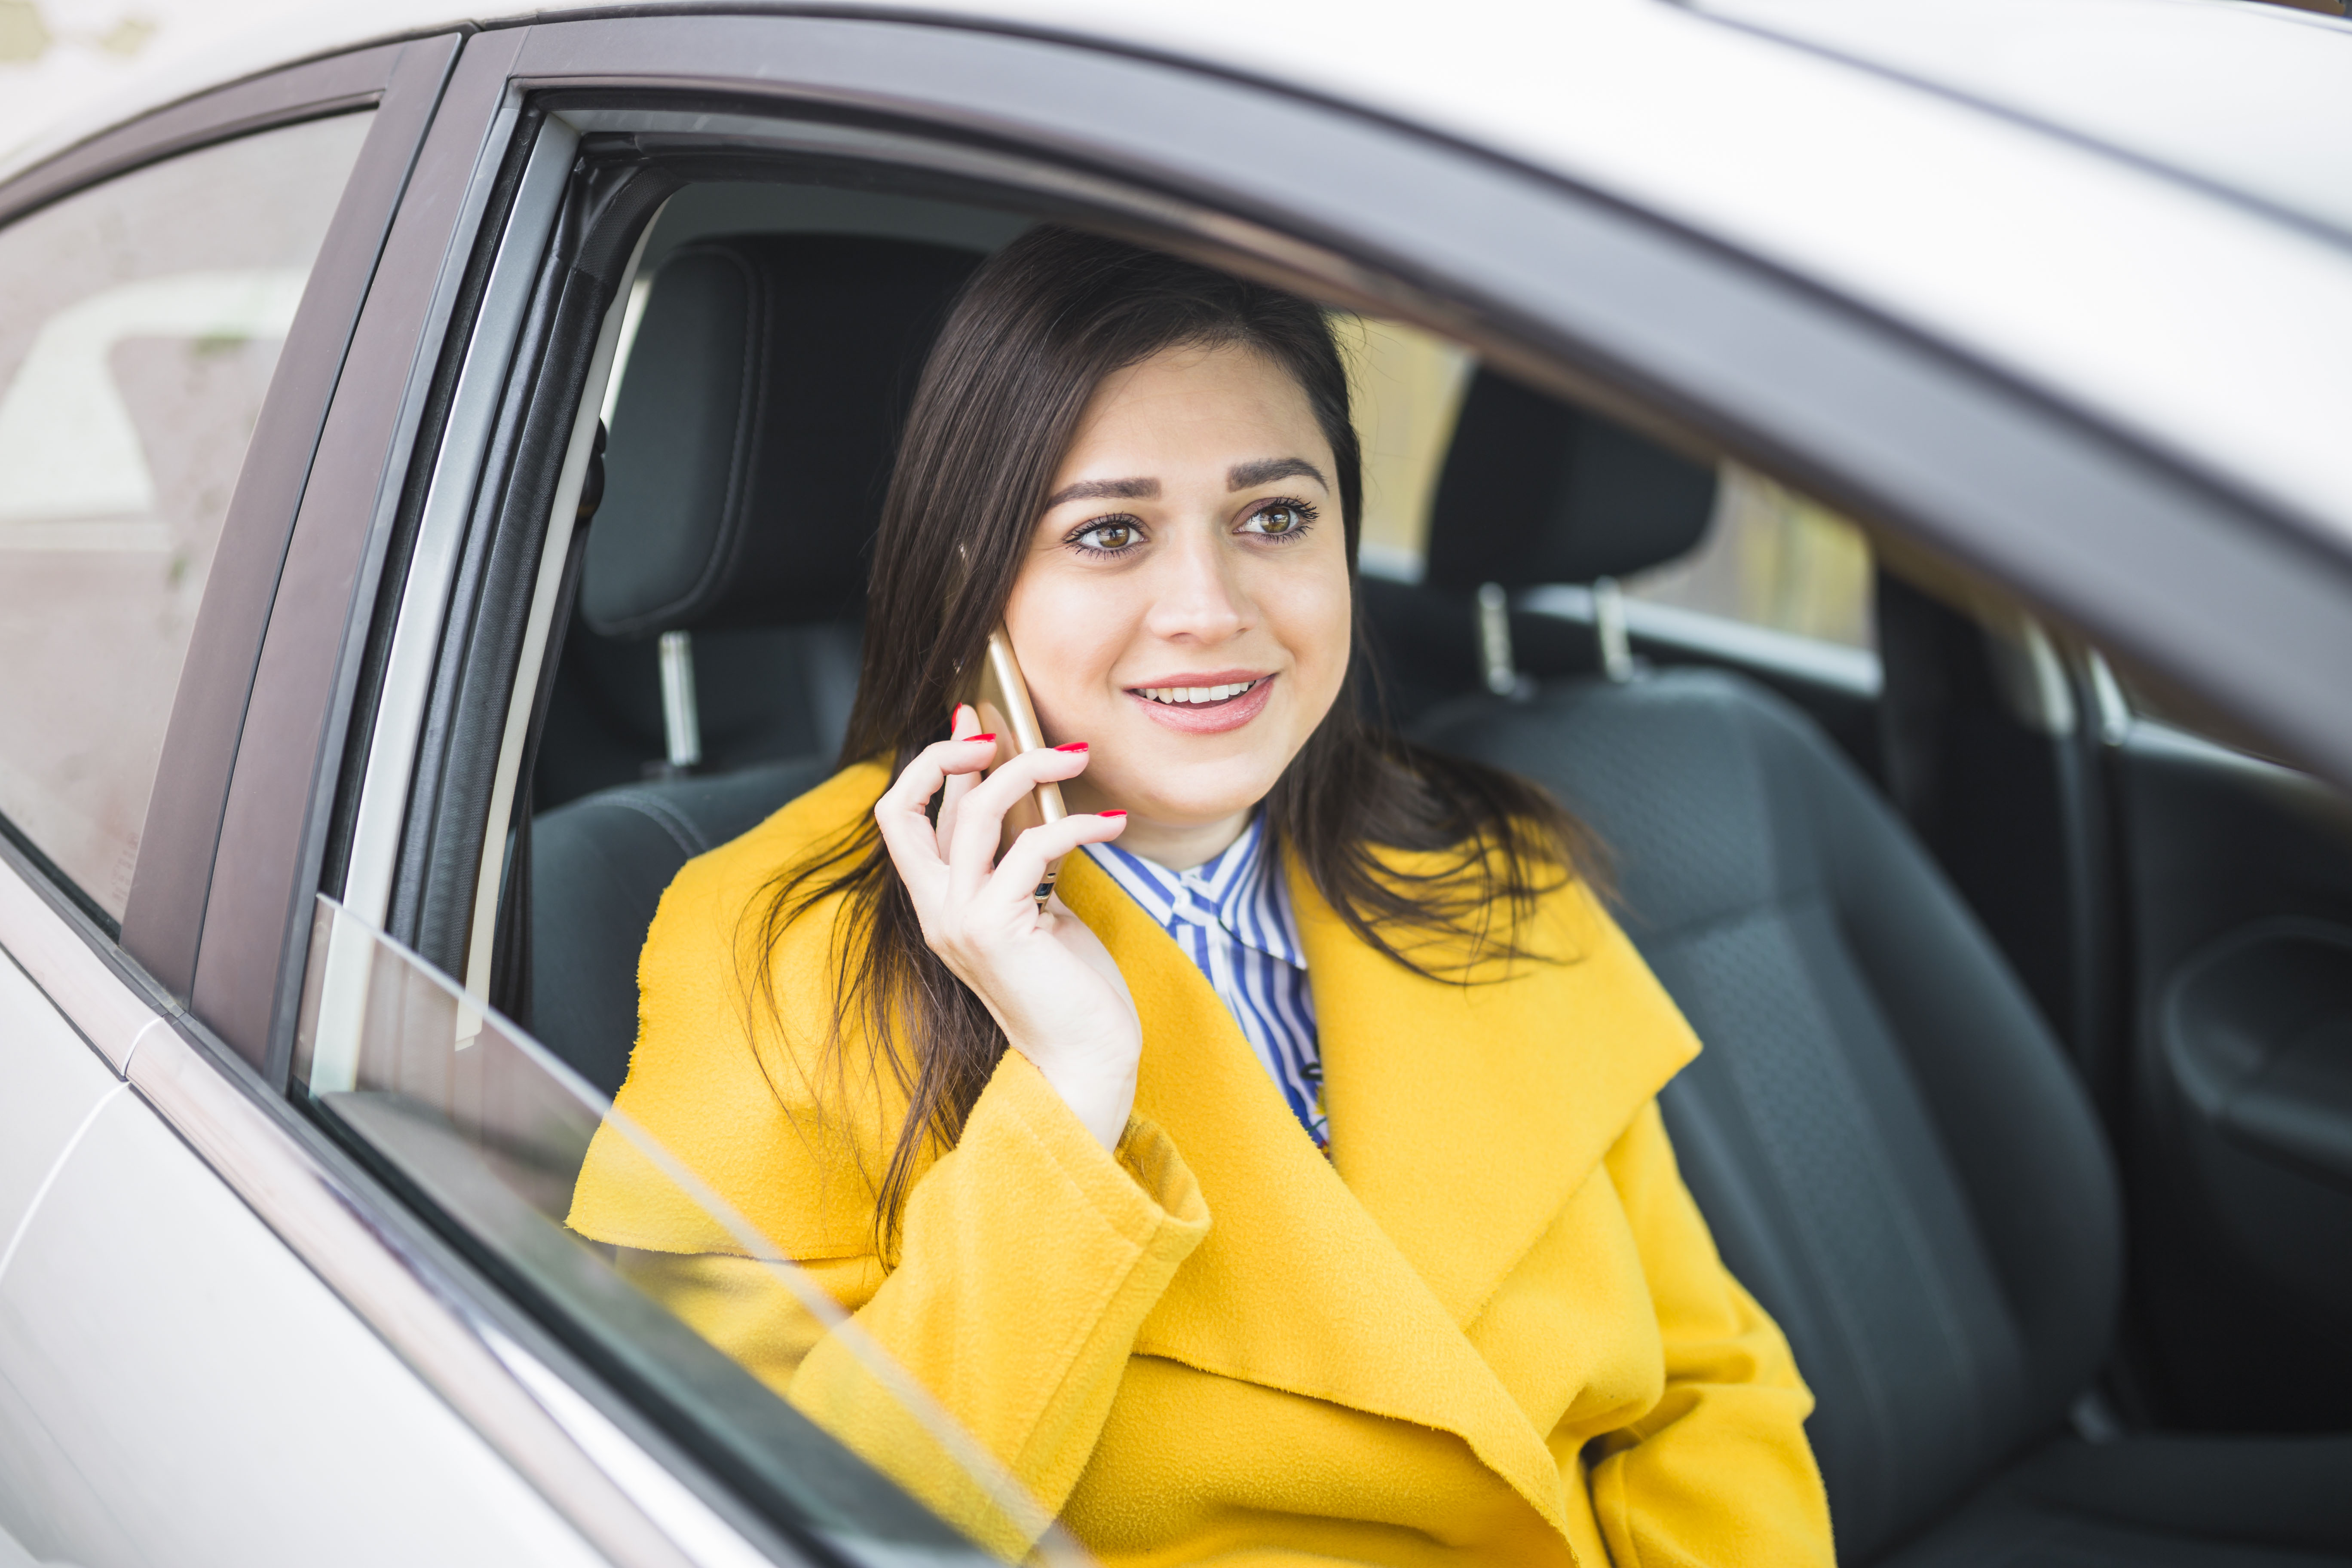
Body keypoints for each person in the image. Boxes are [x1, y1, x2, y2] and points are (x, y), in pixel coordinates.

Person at [568, 226, 1833, 1565]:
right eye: (1110, 533)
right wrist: (1068, 1096)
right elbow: (775, 1521)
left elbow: (1710, 1385)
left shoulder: (1485, 867)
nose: (1207, 608)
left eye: (1274, 518)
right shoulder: (782, 944)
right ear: (971, 574)